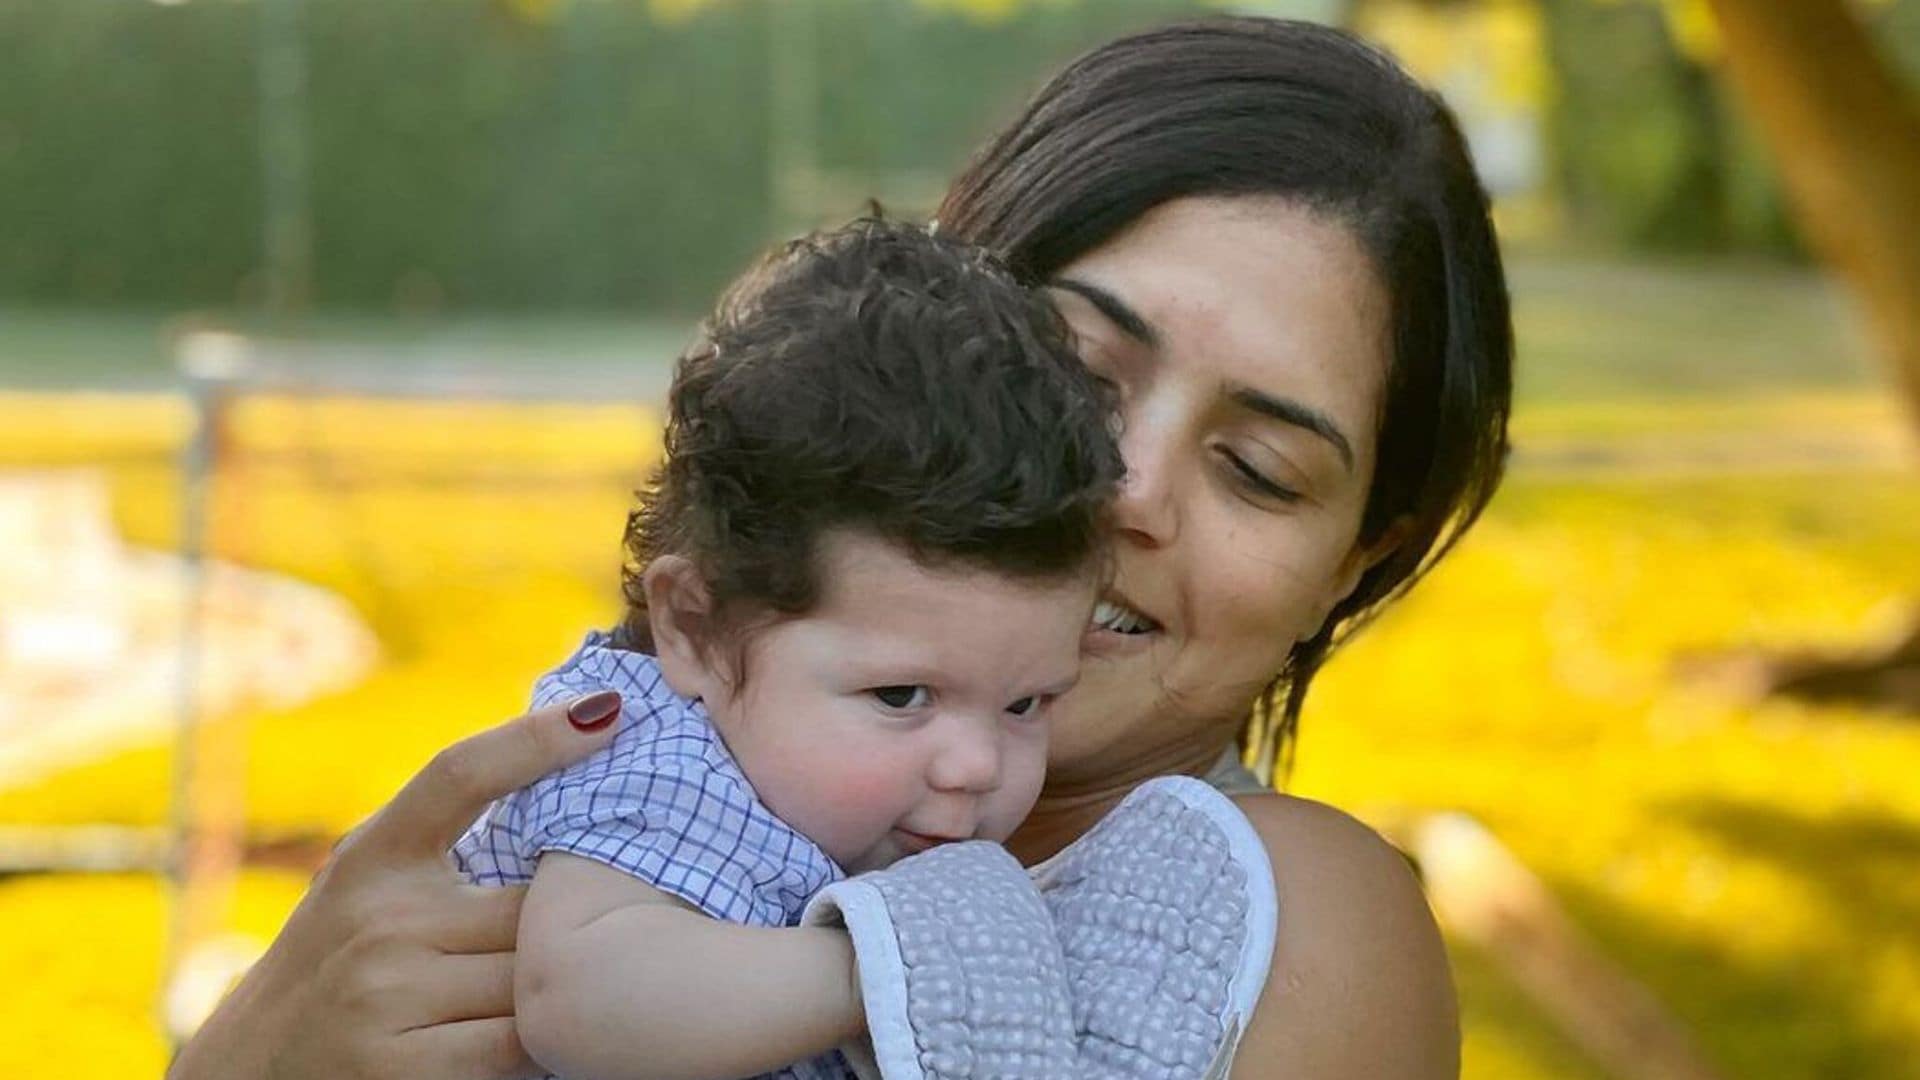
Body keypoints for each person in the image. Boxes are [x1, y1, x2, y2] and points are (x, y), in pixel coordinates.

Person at [170, 16, 1510, 1080]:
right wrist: (250, 1052)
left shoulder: (1283, 923)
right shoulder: (676, 783)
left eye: (1259, 471)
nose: (1125, 489)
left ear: (1357, 560)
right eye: (1077, 369)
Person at [453, 217, 1120, 1080]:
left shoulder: (804, 788)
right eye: (901, 696)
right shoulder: (652, 759)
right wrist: (897, 964)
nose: (975, 766)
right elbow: (582, 1003)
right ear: (694, 627)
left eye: (1025, 703)